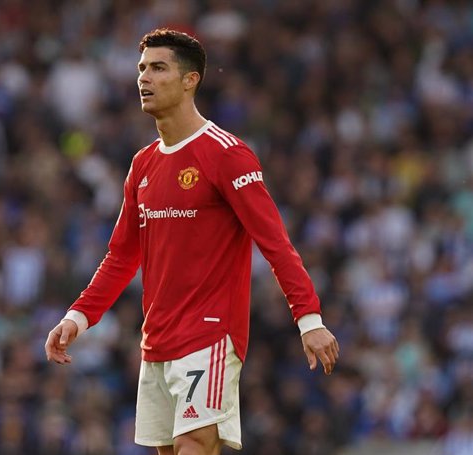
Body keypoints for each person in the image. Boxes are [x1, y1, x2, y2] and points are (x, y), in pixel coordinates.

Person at [45, 28, 339, 455]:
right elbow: (122, 256)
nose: (144, 78)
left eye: (158, 68)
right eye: (142, 68)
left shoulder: (226, 154)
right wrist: (78, 317)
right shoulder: (142, 164)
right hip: (157, 338)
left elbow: (274, 242)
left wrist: (308, 319)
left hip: (210, 335)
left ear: (190, 80)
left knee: (194, 445)